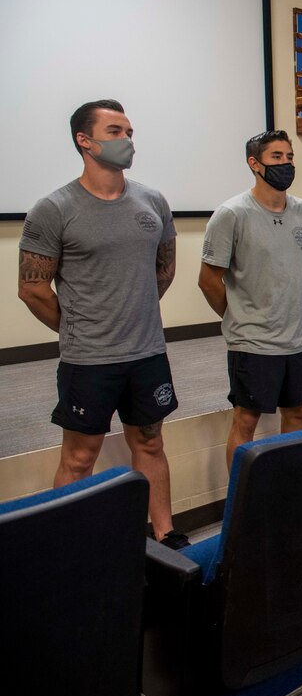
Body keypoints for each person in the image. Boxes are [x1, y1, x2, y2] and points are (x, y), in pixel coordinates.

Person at [17, 99, 186, 548]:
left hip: (148, 353)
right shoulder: (54, 208)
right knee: (80, 455)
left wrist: (135, 312)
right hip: (89, 360)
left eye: (130, 132)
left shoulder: (152, 201)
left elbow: (164, 269)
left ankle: (167, 536)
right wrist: (80, 326)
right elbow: (32, 288)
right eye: (115, 131)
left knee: (150, 444)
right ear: (84, 141)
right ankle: (65, 542)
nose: (127, 140)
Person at [199, 130, 302, 468]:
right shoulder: (232, 214)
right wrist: (238, 315)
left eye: (289, 156)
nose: (286, 163)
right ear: (254, 164)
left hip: (299, 340)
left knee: (297, 413)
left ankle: (288, 489)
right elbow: (208, 280)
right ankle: (242, 500)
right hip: (252, 343)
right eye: (277, 157)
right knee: (246, 421)